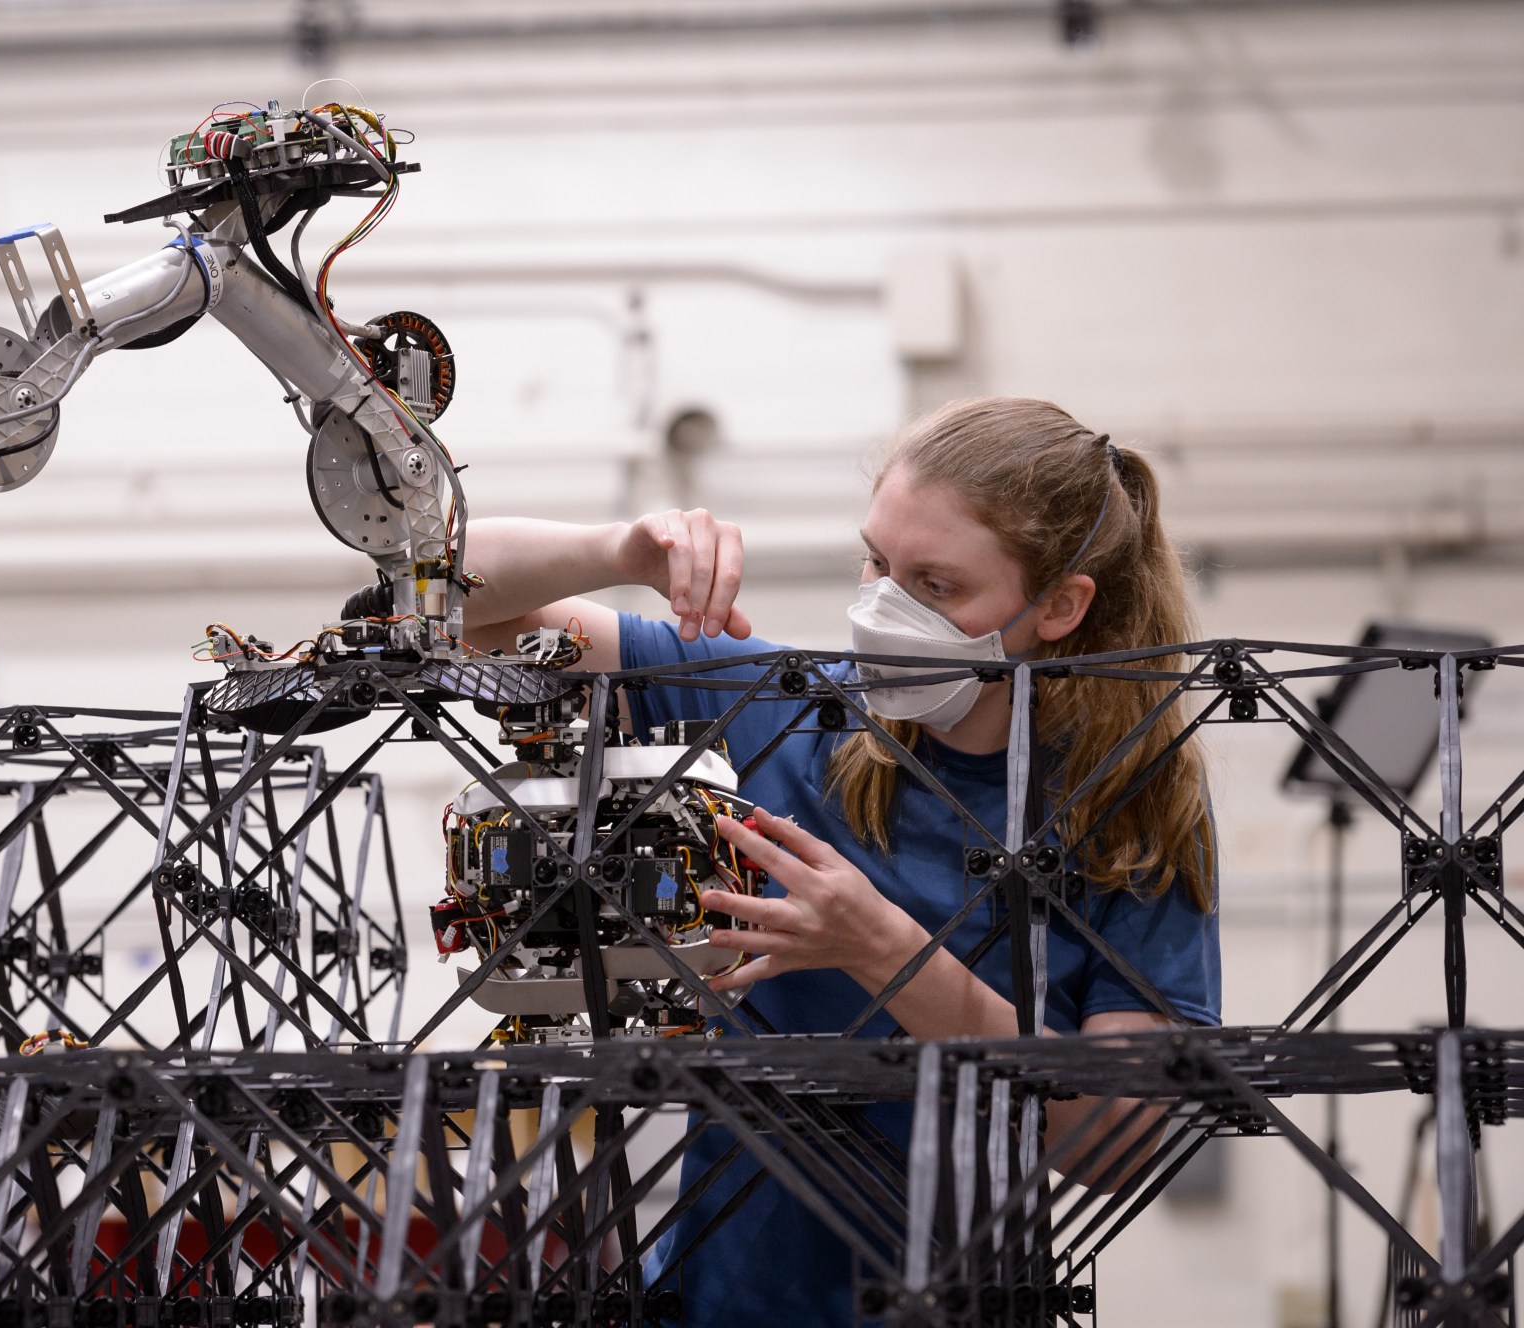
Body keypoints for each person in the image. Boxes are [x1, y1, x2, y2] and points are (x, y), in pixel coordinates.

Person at [460, 397, 1220, 1325]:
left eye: (937, 586)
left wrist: (885, 951)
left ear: (1060, 606)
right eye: (877, 563)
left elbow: (1120, 1144)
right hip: (719, 1302)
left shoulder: (1129, 806)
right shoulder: (779, 706)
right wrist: (622, 551)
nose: (885, 607)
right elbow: (446, 607)